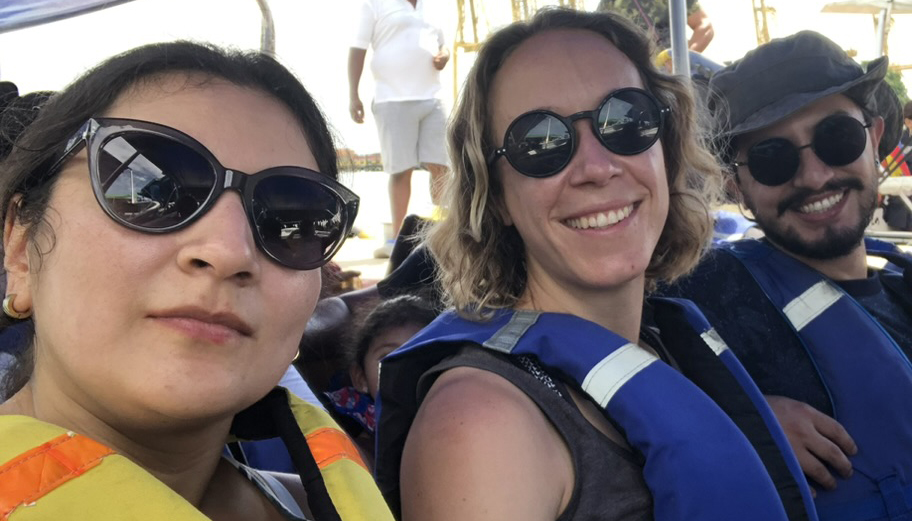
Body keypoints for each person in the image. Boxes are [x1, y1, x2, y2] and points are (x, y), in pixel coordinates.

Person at [373, 8, 817, 521]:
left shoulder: (666, 348)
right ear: (495, 196)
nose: (597, 168)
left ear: (666, 150)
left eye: (626, 120)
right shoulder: (482, 426)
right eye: (541, 142)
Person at [0, 41, 392, 521]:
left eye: (296, 216)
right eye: (147, 190)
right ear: (20, 248)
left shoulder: (317, 507)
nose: (229, 252)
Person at [661, 31, 912, 521]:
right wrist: (733, 416)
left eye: (837, 138)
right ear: (738, 185)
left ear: (875, 138)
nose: (815, 177)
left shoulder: (902, 285)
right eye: (773, 160)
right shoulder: (702, 298)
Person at [348, 0, 450, 258]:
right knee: (400, 170)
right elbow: (358, 49)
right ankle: (396, 239)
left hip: (432, 97)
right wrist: (354, 95)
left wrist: (445, 55)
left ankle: (443, 231)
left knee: (441, 165)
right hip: (391, 99)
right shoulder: (374, 5)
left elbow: (442, 44)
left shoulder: (433, 7)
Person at [597, 0, 714, 52]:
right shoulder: (609, 3)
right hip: (636, 79)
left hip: (675, 79)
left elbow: (704, 27)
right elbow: (599, 44)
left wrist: (684, 59)